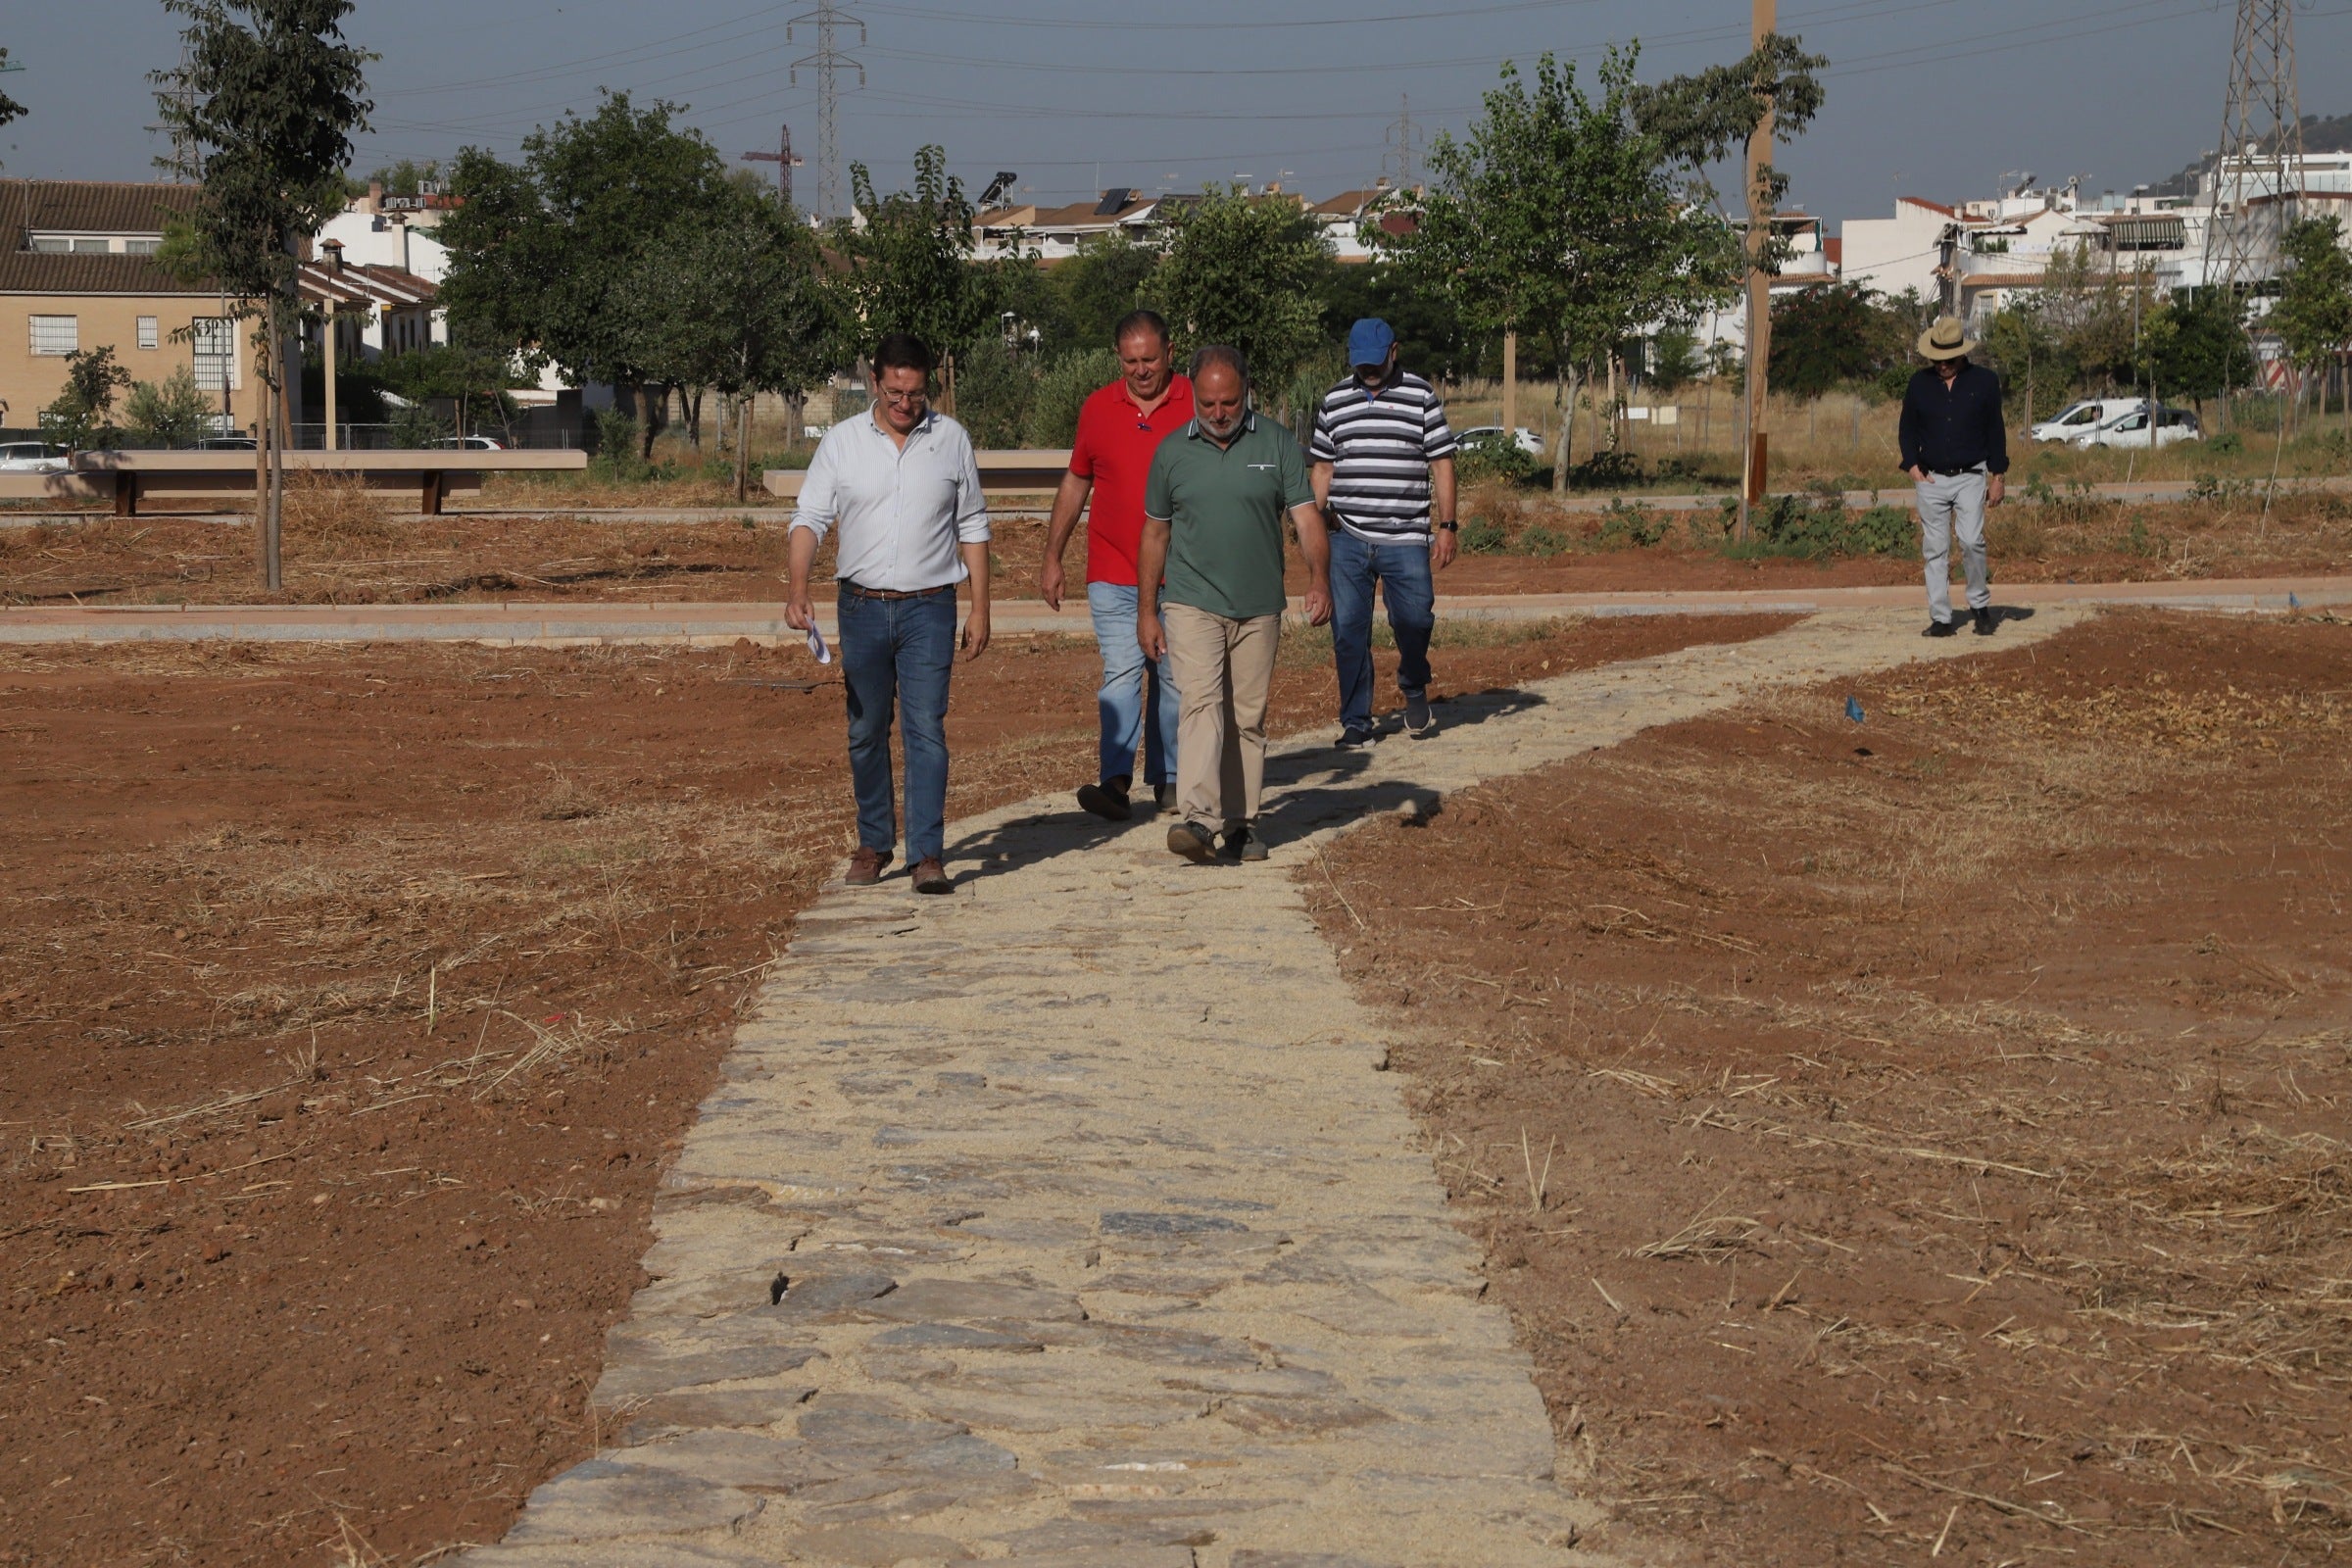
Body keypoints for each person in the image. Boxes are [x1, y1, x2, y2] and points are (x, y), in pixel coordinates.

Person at [785, 332, 992, 893]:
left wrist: (980, 607)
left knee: (927, 730)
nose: (905, 402)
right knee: (865, 730)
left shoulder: (951, 441)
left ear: (930, 386)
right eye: (895, 391)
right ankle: (875, 843)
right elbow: (810, 518)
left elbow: (972, 525)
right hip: (862, 608)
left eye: (917, 392)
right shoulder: (842, 443)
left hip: (931, 608)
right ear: (875, 382)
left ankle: (927, 854)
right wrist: (798, 586)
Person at [1138, 345, 1333, 865]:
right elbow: (1155, 535)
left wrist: (1320, 579)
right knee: (1201, 705)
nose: (1219, 414)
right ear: (1194, 396)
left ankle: (1240, 824)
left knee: (1246, 717)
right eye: (1207, 404)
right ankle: (1198, 818)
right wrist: (1146, 610)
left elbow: (1307, 519)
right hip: (1190, 600)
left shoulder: (1275, 442)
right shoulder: (1171, 452)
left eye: (1228, 402)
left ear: (1246, 391)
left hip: (1258, 605)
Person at [1040, 310, 1193, 822]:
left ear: (1170, 353)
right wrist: (1052, 556)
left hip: (1181, 570)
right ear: (1118, 359)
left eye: (1150, 359)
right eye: (1131, 361)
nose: (1142, 370)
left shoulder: (1198, 402)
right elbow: (1076, 482)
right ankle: (1116, 781)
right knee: (1123, 672)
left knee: (1172, 674)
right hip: (1112, 568)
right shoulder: (1097, 408)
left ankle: (1170, 778)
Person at [1309, 318, 1459, 745]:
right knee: (1349, 633)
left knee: (1414, 619)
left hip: (1407, 536)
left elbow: (1442, 463)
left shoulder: (1420, 396)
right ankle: (1356, 722)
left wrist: (1446, 525)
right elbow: (1323, 468)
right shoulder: (1335, 399)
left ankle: (1413, 679)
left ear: (1395, 351)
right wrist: (1311, 525)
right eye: (1361, 365)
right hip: (1347, 536)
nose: (1369, 372)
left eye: (1376, 363)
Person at [1898, 315, 2008, 638]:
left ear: (1961, 353)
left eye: (1948, 358)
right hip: (1931, 479)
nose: (1942, 365)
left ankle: (1979, 605)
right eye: (1937, 358)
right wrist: (1913, 466)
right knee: (1935, 549)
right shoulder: (1919, 384)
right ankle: (1941, 618)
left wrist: (1998, 475)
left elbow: (1995, 430)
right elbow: (1907, 428)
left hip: (1970, 475)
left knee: (1972, 541)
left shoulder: (1985, 382)